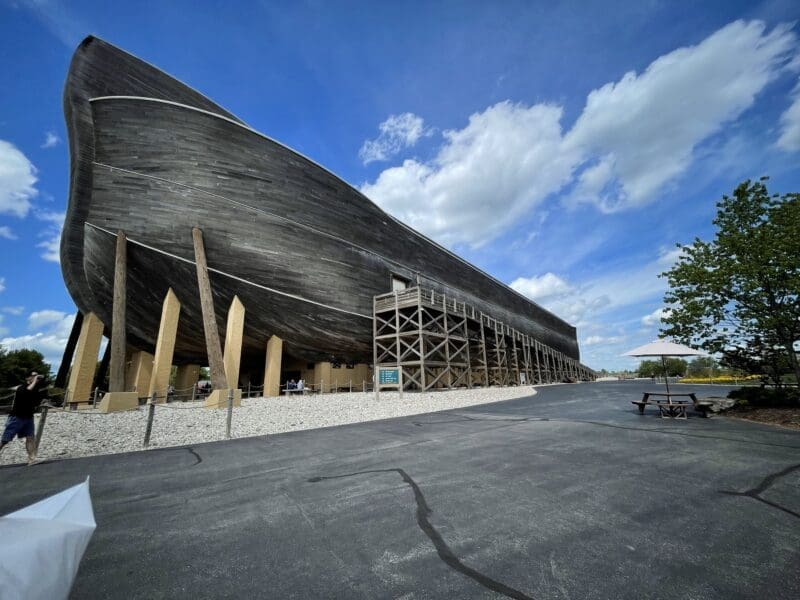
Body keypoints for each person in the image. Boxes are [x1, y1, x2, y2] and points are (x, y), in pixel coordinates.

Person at [0, 371, 47, 465]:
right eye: (34, 376)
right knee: (5, 440)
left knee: (30, 437)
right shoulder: (22, 388)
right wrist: (35, 380)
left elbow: (37, 399)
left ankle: (32, 459)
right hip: (17, 417)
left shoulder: (35, 389)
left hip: (28, 417)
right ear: (28, 378)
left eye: (36, 376)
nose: (36, 378)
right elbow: (27, 391)